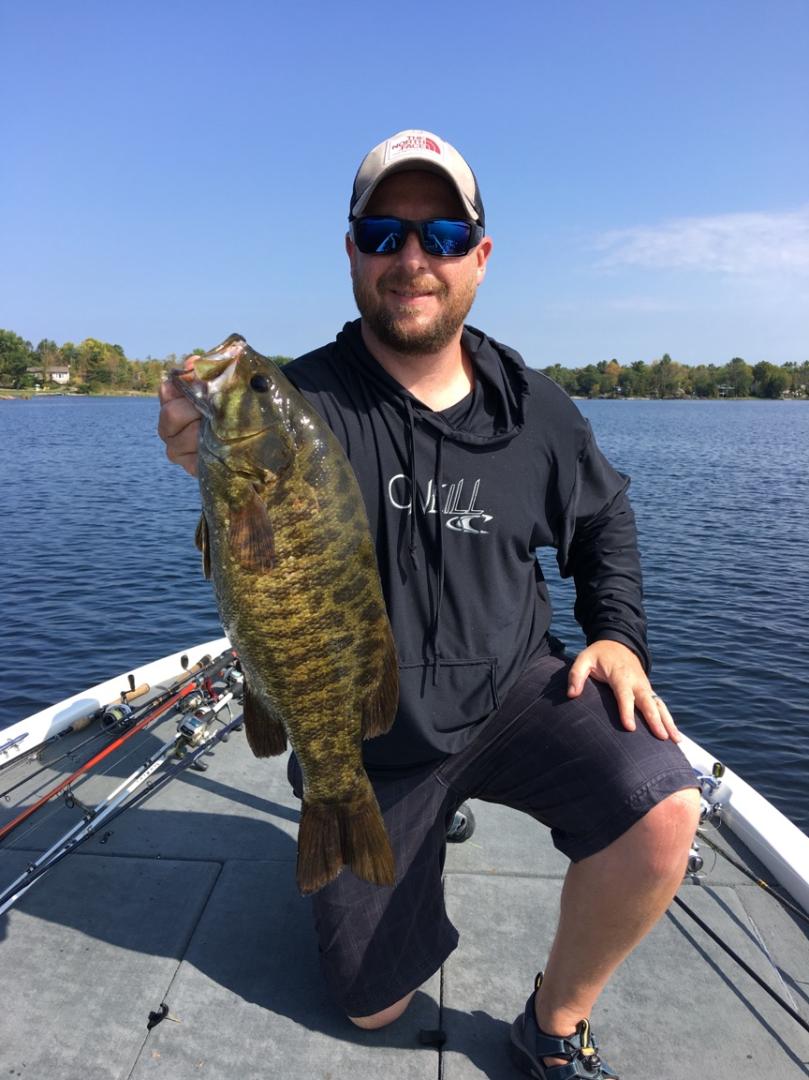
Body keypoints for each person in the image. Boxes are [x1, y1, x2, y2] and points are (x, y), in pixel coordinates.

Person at [158, 129, 700, 1079]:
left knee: (662, 807)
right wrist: (199, 447)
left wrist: (617, 634)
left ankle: (552, 1025)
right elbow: (250, 518)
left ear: (479, 259)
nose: (413, 258)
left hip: (512, 694)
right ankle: (355, 809)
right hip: (370, 739)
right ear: (353, 251)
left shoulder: (534, 408)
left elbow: (604, 518)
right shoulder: (304, 400)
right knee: (373, 1009)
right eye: (384, 231)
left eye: (443, 234)